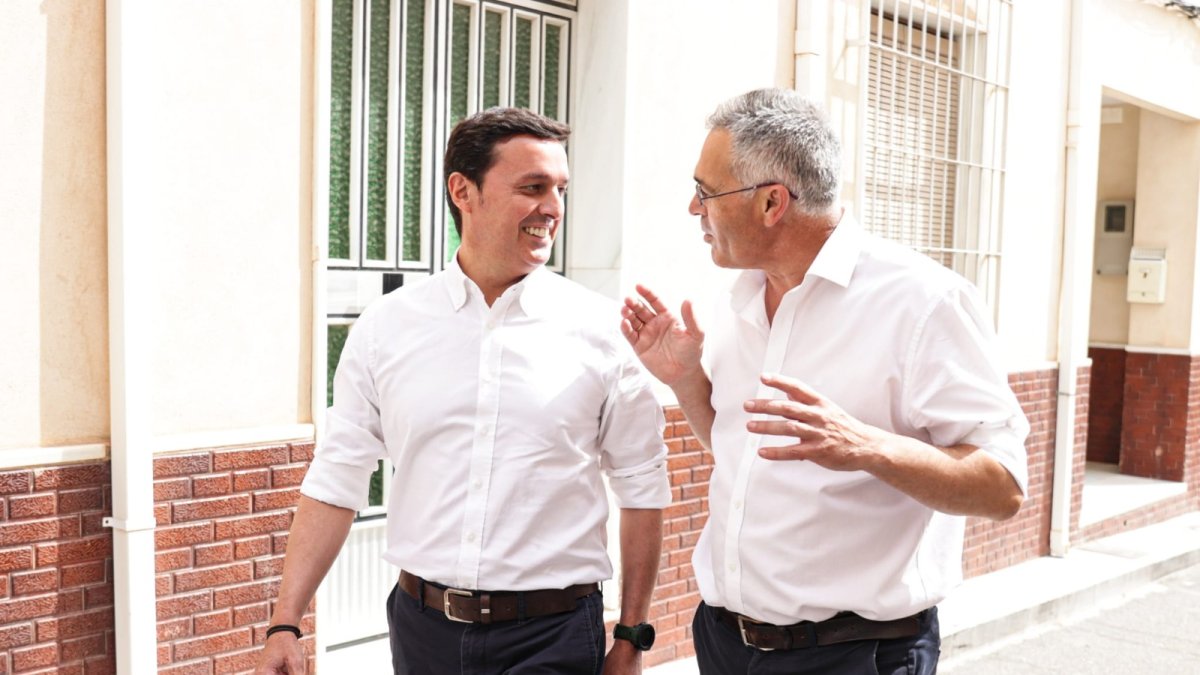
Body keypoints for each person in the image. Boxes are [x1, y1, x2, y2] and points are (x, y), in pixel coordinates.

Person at [620, 88, 1029, 674]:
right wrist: (687, 383)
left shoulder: (924, 302)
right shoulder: (739, 298)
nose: (693, 209)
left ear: (771, 203)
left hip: (853, 656)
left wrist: (868, 447)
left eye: (705, 193)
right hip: (724, 643)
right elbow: (743, 451)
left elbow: (1004, 488)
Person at [256, 107, 670, 675]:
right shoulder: (386, 329)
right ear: (463, 190)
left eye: (560, 189)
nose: (552, 208)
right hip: (423, 632)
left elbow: (641, 486)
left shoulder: (603, 331)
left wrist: (631, 638)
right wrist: (286, 621)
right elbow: (337, 480)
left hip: (552, 636)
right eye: (533, 187)